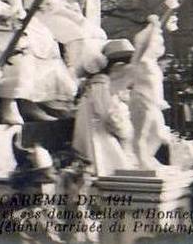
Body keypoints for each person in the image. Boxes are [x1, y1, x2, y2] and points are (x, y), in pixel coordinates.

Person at [73, 39, 136, 177]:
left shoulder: (105, 83)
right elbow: (106, 112)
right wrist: (122, 128)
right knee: (107, 162)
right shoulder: (100, 84)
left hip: (98, 123)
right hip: (96, 129)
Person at [129, 15, 173, 170]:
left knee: (159, 134)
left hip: (152, 102)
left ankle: (146, 157)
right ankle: (141, 161)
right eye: (157, 42)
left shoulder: (152, 63)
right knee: (141, 134)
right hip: (141, 99)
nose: (159, 45)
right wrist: (154, 25)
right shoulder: (141, 60)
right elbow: (146, 41)